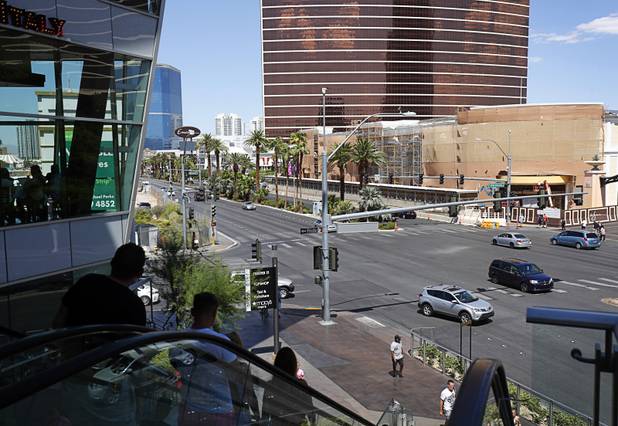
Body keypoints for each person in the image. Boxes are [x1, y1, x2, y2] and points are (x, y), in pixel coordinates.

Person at [53, 243, 147, 328]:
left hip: (71, 344)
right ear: (139, 273)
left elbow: (60, 317)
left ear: (112, 263)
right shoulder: (135, 306)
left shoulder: (86, 282)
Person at [177, 292, 237, 426]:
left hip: (189, 408)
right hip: (219, 410)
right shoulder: (221, 342)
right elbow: (236, 373)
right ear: (214, 314)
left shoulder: (177, 341)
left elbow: (177, 366)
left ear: (192, 312)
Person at [263, 347, 314, 425]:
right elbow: (310, 410)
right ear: (293, 365)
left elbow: (265, 412)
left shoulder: (271, 385)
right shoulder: (301, 385)